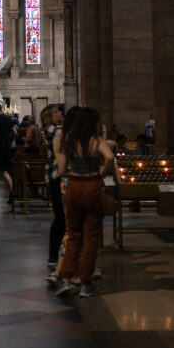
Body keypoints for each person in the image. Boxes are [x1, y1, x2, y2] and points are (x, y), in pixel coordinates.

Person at [54, 106, 114, 298]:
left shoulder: (69, 141)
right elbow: (110, 157)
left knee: (73, 234)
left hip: (73, 185)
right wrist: (101, 174)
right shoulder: (95, 140)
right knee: (91, 236)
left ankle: (64, 279)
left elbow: (61, 171)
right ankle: (86, 283)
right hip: (91, 184)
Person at [39, 104, 65, 273]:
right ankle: (55, 257)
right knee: (61, 218)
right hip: (58, 176)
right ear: (49, 116)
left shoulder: (52, 129)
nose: (60, 113)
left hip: (53, 175)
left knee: (60, 218)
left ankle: (56, 256)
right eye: (56, 112)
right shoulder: (55, 130)